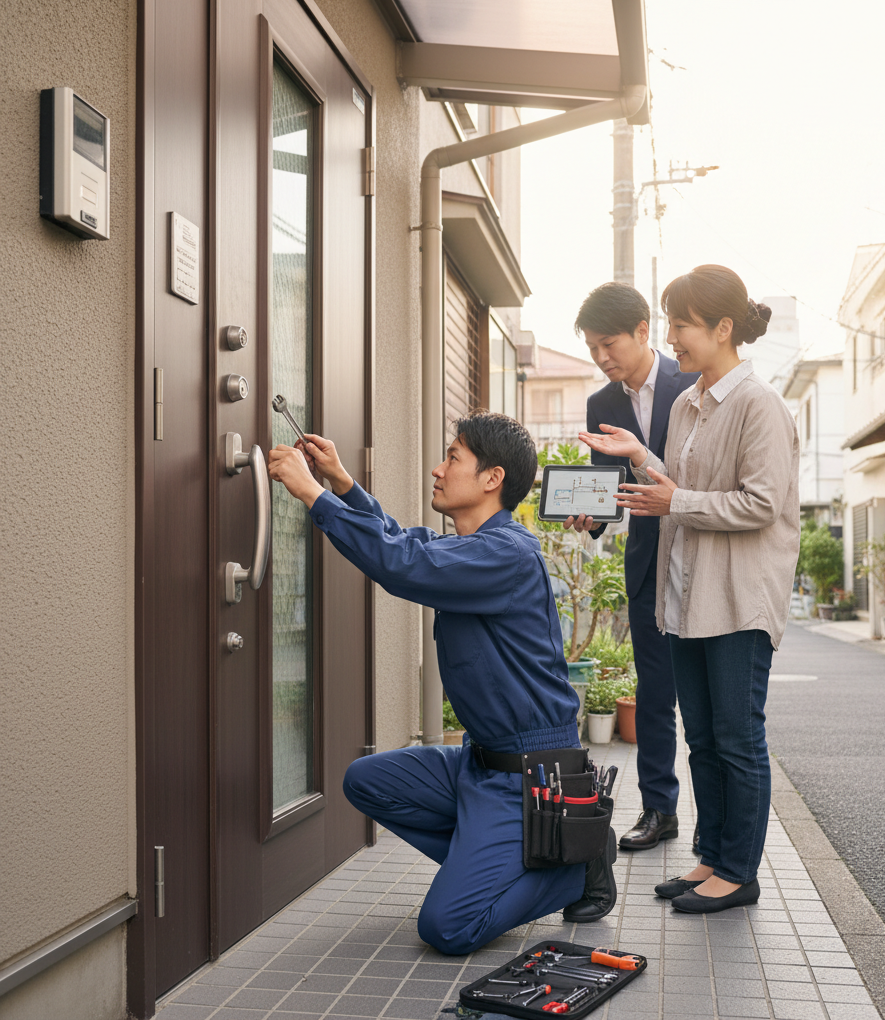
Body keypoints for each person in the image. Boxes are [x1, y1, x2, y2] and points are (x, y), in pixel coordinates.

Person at [266, 411, 617, 955]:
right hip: (481, 762)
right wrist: (341, 483)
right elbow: (406, 543)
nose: (438, 468)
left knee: (448, 928)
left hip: (530, 773)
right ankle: (499, 857)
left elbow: (402, 562)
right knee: (366, 781)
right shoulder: (473, 549)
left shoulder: (506, 553)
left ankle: (575, 867)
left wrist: (312, 494)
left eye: (453, 458)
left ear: (491, 478)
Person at [579, 264, 799, 914]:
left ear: (723, 328)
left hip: (737, 601)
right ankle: (710, 859)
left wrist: (673, 493)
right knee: (702, 740)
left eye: (682, 324)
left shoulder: (758, 405)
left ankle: (739, 870)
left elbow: (761, 503)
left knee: (736, 739)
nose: (672, 336)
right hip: (685, 599)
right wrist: (640, 456)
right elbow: (678, 483)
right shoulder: (688, 403)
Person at [565, 282, 700, 853]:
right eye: (593, 347)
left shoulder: (695, 383)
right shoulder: (603, 405)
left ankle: (713, 825)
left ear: (644, 331)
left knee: (705, 699)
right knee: (653, 695)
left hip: (702, 553)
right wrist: (589, 518)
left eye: (609, 343)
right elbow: (608, 492)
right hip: (647, 563)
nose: (602, 357)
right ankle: (659, 810)